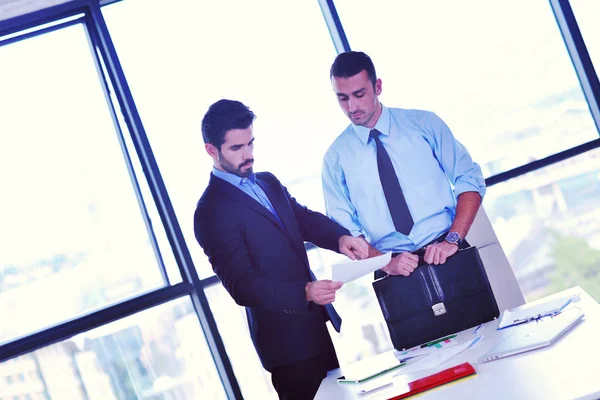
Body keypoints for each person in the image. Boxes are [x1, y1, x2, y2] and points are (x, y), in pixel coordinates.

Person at [193, 99, 368, 399]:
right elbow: (242, 286)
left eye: (250, 143)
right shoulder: (211, 211)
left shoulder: (267, 182)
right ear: (212, 150)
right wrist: (304, 291)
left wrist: (339, 238)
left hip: (314, 325)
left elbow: (302, 219)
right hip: (286, 346)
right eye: (236, 148)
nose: (248, 155)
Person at [322, 51, 486, 278]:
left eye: (359, 94)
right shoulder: (335, 158)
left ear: (377, 87)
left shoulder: (424, 124)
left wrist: (452, 240)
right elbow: (345, 230)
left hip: (448, 251)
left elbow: (469, 178)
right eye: (343, 98)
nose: (352, 107)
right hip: (392, 271)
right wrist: (386, 263)